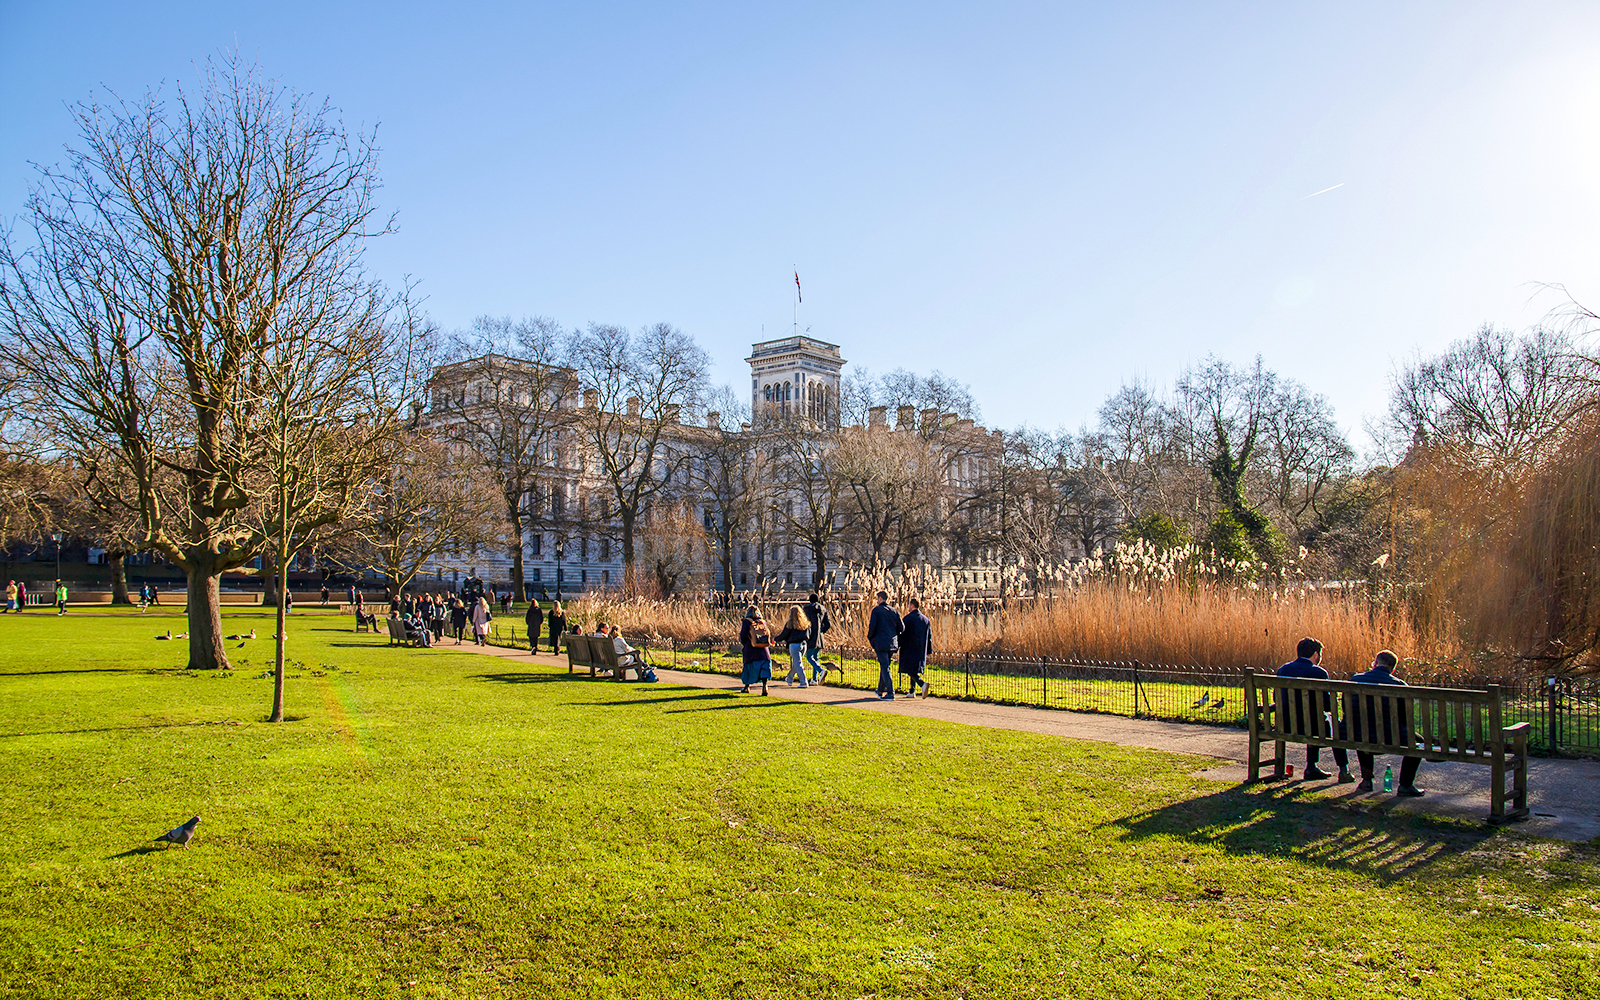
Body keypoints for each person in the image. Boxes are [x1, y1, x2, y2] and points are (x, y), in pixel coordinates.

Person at [1348, 650, 1426, 797]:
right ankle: (1405, 785)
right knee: (1418, 742)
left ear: (1375, 663)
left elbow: (1348, 709)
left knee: (1363, 730)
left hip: (1358, 735)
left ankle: (1366, 781)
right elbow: (1405, 719)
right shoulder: (1400, 685)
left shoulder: (1355, 679)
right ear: (1393, 669)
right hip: (1391, 738)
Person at [1275, 637, 1352, 783]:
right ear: (1316, 654)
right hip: (1312, 727)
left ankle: (1312, 767)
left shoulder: (1283, 669)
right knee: (1335, 725)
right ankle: (1343, 771)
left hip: (1285, 725)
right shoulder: (1318, 672)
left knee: (1316, 719)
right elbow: (1327, 706)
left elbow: (1276, 699)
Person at [867, 591, 904, 700]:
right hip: (892, 643)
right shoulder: (894, 611)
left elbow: (872, 627)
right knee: (885, 665)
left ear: (880, 599)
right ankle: (880, 690)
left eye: (878, 598)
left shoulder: (876, 611)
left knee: (885, 667)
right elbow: (902, 628)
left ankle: (890, 692)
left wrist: (870, 638)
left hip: (880, 642)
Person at [899, 597, 933, 697]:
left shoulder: (907, 619)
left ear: (912, 605)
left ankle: (922, 684)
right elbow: (929, 636)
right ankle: (912, 690)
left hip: (909, 648)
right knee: (914, 668)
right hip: (921, 649)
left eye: (909, 605)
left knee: (910, 669)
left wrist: (898, 644)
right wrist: (929, 650)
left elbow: (902, 634)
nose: (908, 607)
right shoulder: (926, 620)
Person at [739, 606, 774, 695]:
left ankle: (747, 686)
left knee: (748, 667)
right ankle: (765, 686)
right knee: (764, 669)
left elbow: (743, 635)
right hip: (763, 650)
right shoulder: (762, 621)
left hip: (751, 650)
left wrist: (745, 643)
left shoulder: (747, 622)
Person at [777, 605, 811, 688]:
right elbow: (809, 634)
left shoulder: (790, 624)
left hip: (794, 645)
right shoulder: (805, 624)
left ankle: (803, 682)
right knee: (796, 663)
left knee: (797, 663)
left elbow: (784, 635)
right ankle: (789, 678)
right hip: (803, 644)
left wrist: (775, 639)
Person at [802, 592, 831, 684]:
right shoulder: (823, 609)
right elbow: (828, 623)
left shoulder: (807, 609)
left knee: (809, 656)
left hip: (811, 635)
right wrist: (822, 631)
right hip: (820, 635)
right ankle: (814, 679)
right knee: (815, 657)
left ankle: (820, 670)